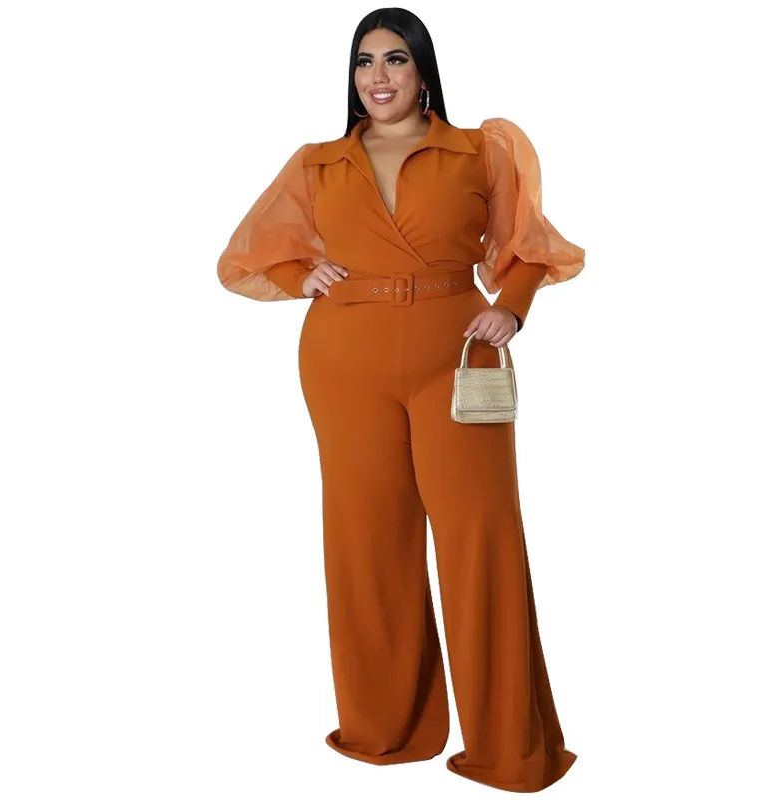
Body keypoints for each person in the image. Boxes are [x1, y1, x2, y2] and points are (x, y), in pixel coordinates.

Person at [216, 7, 585, 794]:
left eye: (395, 59)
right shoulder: (317, 164)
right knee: (367, 541)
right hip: (342, 362)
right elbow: (245, 257)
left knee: (480, 537)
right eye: (364, 61)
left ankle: (506, 748)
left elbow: (530, 248)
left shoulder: (479, 150)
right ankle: (387, 731)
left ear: (423, 72)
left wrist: (513, 308)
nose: (377, 76)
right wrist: (299, 276)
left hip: (458, 356)